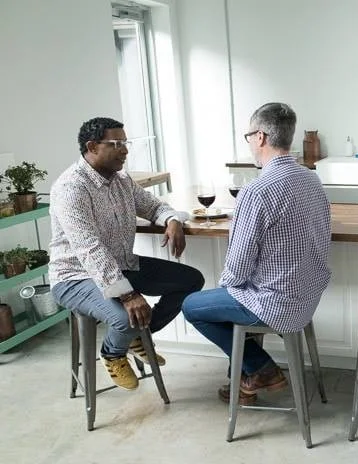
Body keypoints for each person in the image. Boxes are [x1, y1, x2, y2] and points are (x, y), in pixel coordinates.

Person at [182, 102, 331, 405]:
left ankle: (262, 369)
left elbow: (236, 268)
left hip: (274, 303)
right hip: (308, 296)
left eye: (249, 136)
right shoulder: (312, 179)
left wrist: (229, 289)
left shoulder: (258, 190)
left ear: (261, 137)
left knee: (193, 305)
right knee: (231, 302)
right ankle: (243, 382)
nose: (249, 142)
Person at [50, 117, 205, 390]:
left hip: (122, 265)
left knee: (191, 280)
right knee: (125, 317)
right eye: (116, 144)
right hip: (75, 276)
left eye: (125, 143)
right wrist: (129, 295)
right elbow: (90, 249)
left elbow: (155, 207)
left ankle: (139, 334)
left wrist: (172, 220)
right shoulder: (71, 189)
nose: (125, 150)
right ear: (92, 146)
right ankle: (112, 352)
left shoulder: (121, 181)